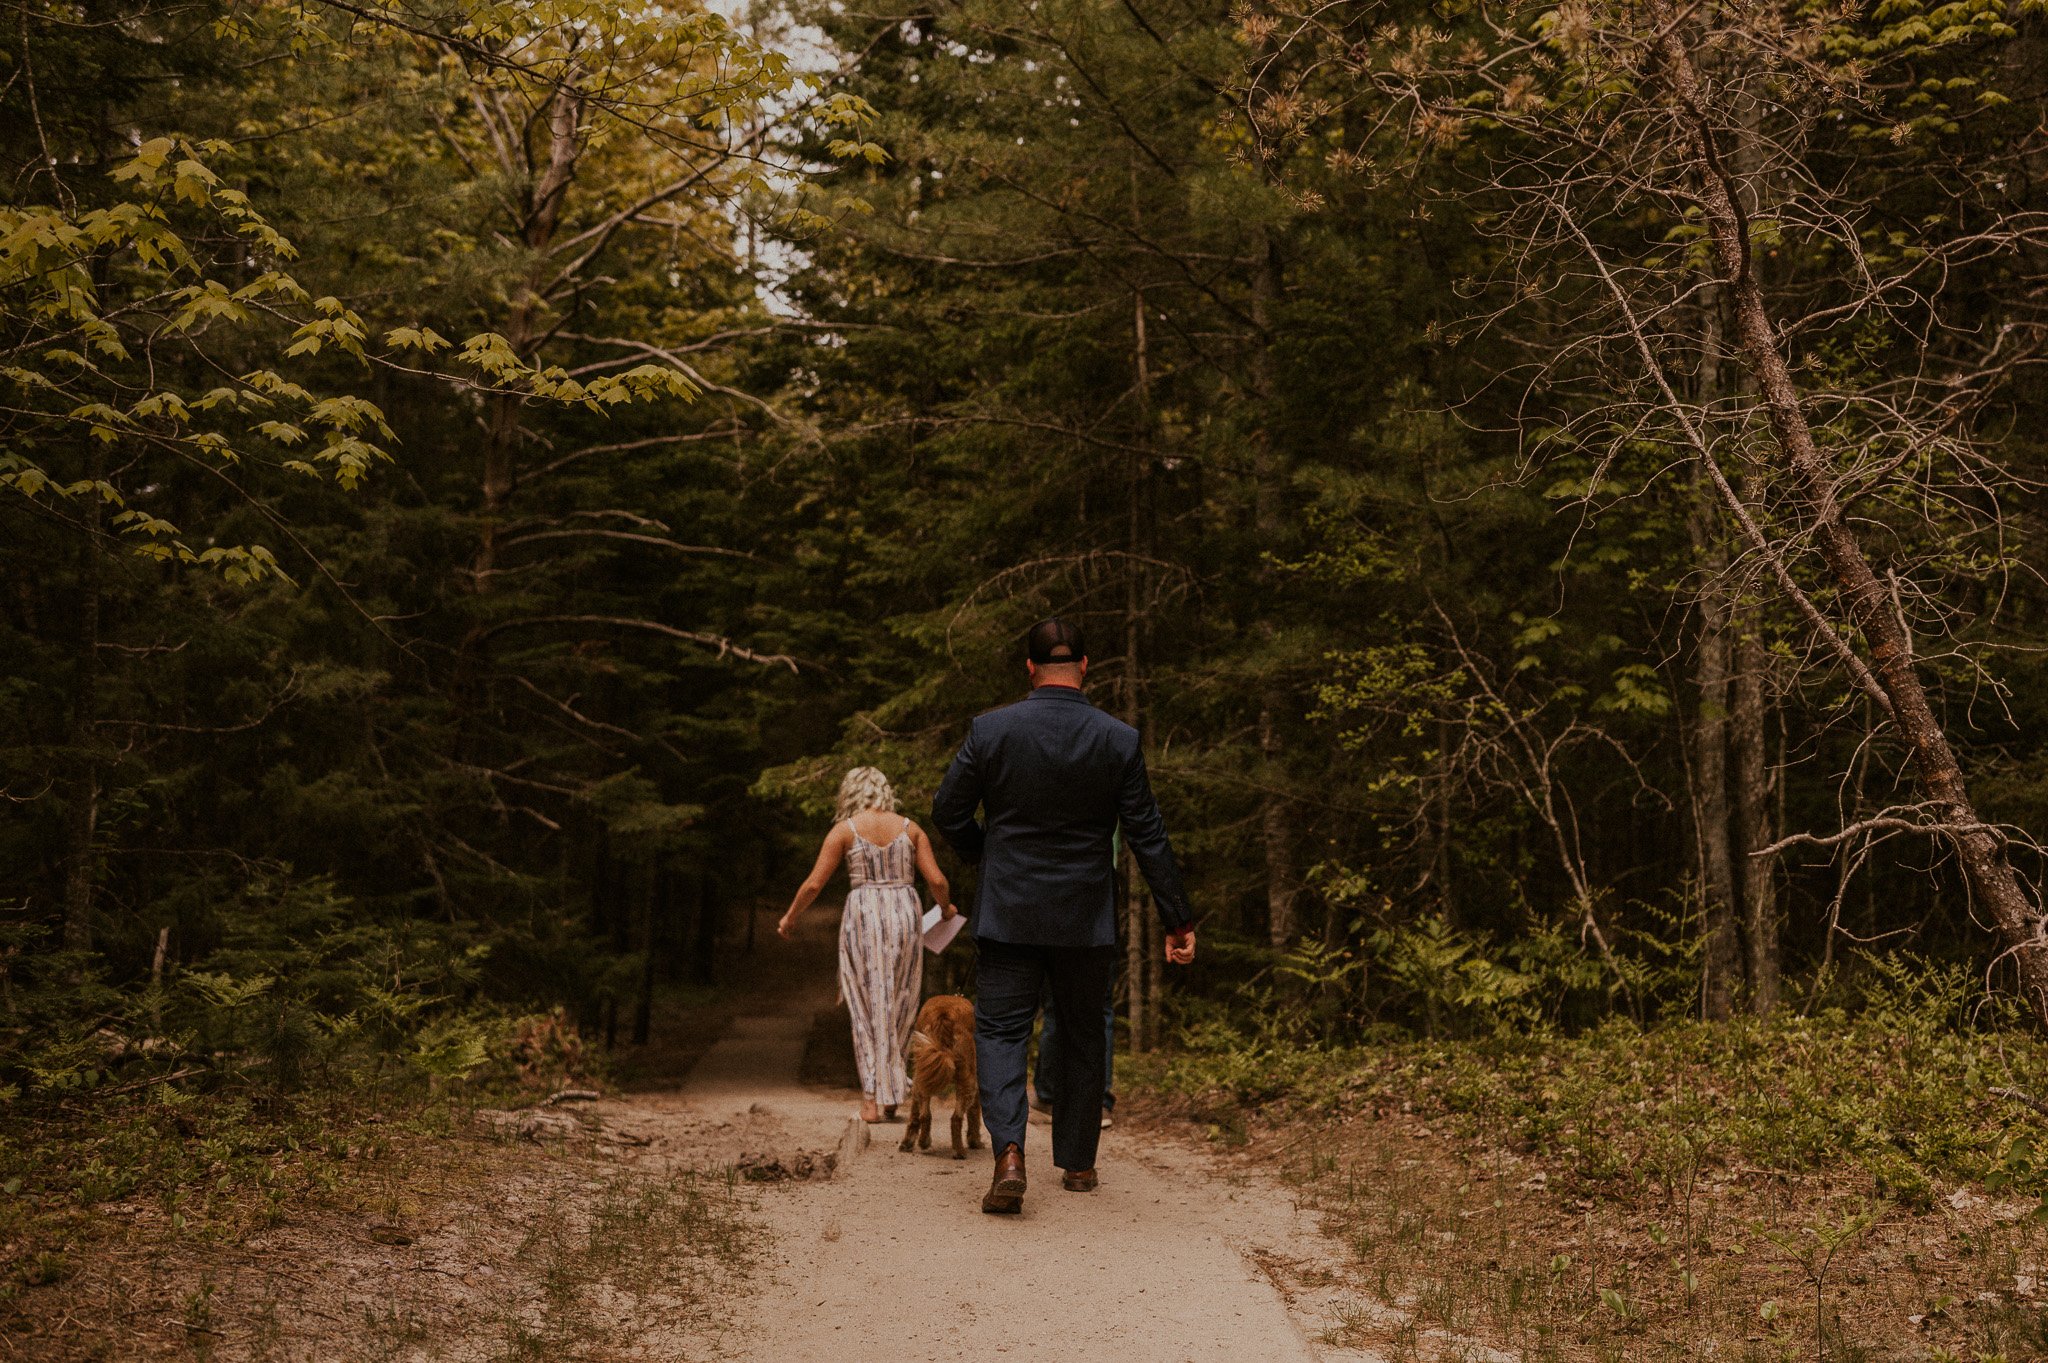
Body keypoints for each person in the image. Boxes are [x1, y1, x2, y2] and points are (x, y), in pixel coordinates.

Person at [932, 618, 1196, 1214]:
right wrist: (1177, 919)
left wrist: (991, 859)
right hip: (1084, 916)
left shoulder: (991, 730)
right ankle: (1078, 1163)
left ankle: (1008, 1156)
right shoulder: (1117, 739)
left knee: (1001, 1032)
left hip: (1010, 913)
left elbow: (947, 810)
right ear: (1084, 666)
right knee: (1080, 1029)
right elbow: (1147, 834)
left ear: (1028, 668)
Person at [778, 766, 957, 1125]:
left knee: (866, 1005)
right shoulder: (911, 829)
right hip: (906, 915)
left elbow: (814, 884)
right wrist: (946, 908)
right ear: (886, 792)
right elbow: (936, 879)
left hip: (863, 917)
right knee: (902, 1002)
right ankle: (893, 1097)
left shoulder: (845, 831)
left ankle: (871, 1100)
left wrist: (790, 917)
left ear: (850, 794)